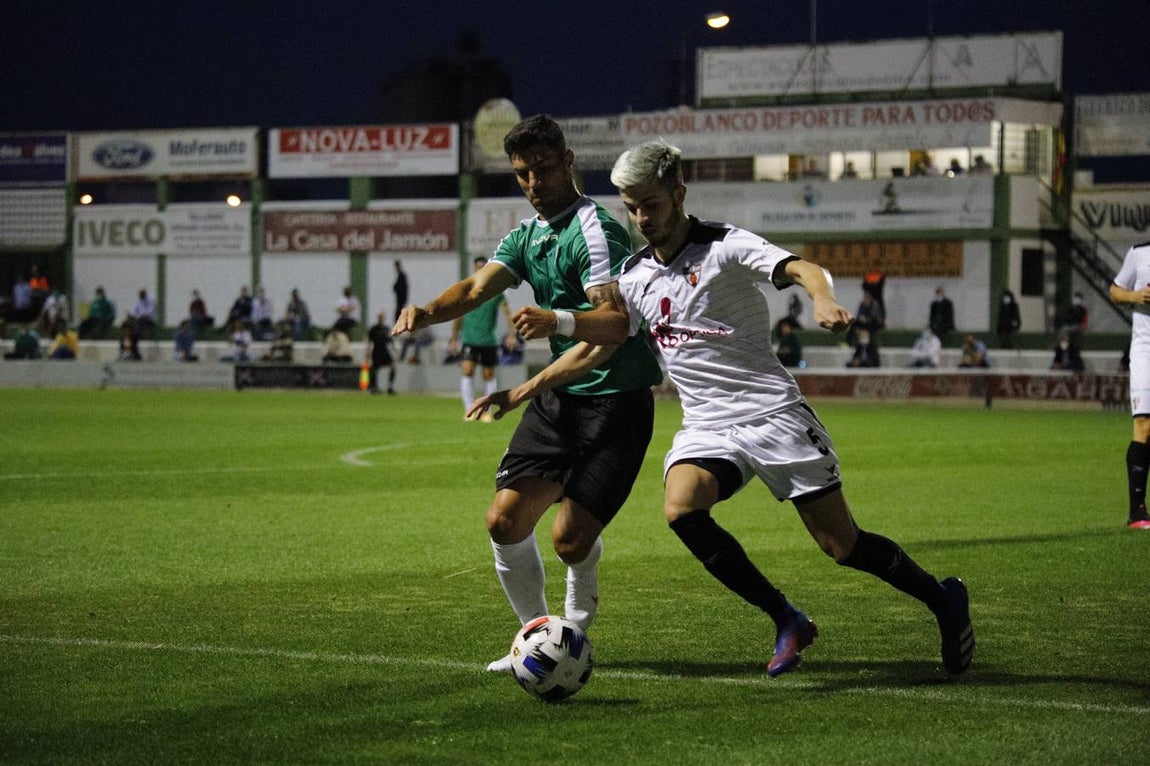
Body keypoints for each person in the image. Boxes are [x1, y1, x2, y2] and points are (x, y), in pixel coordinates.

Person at [500, 139, 974, 677]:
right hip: (708, 425)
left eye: (650, 204)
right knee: (681, 508)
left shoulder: (724, 246)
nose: (641, 218)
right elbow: (605, 339)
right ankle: (786, 617)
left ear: (678, 194)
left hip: (773, 414)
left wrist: (821, 298)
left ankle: (942, 599)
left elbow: (802, 268)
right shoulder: (633, 274)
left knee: (841, 545)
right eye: (631, 207)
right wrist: (531, 378)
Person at [392, 114, 664, 672]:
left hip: (617, 399)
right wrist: (425, 313)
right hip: (561, 396)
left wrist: (557, 320)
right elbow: (474, 287)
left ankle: (573, 630)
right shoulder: (526, 235)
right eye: (522, 174)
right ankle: (536, 640)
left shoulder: (596, 228)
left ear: (568, 162)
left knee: (568, 540)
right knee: (504, 522)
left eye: (543, 168)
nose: (534, 182)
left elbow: (614, 324)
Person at [1108, 240, 1150, 529]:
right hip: (1145, 350)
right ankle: (1137, 513)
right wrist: (1135, 295)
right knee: (1144, 425)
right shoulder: (1139, 252)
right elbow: (1114, 290)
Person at [450, 256, 515, 420]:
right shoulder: (467, 290)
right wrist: (453, 337)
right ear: (474, 269)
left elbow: (508, 314)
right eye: (477, 267)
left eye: (482, 267)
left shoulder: (496, 291)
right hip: (469, 338)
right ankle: (469, 410)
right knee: (467, 370)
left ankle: (486, 411)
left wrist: (512, 334)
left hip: (488, 340)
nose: (479, 270)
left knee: (488, 375)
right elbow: (458, 315)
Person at [365, 312, 396, 394]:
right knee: (375, 370)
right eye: (380, 317)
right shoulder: (374, 329)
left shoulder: (386, 328)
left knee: (392, 366)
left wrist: (394, 352)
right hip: (376, 351)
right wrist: (368, 353)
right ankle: (374, 387)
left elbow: (390, 341)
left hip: (384, 351)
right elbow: (369, 341)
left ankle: (390, 386)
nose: (381, 319)